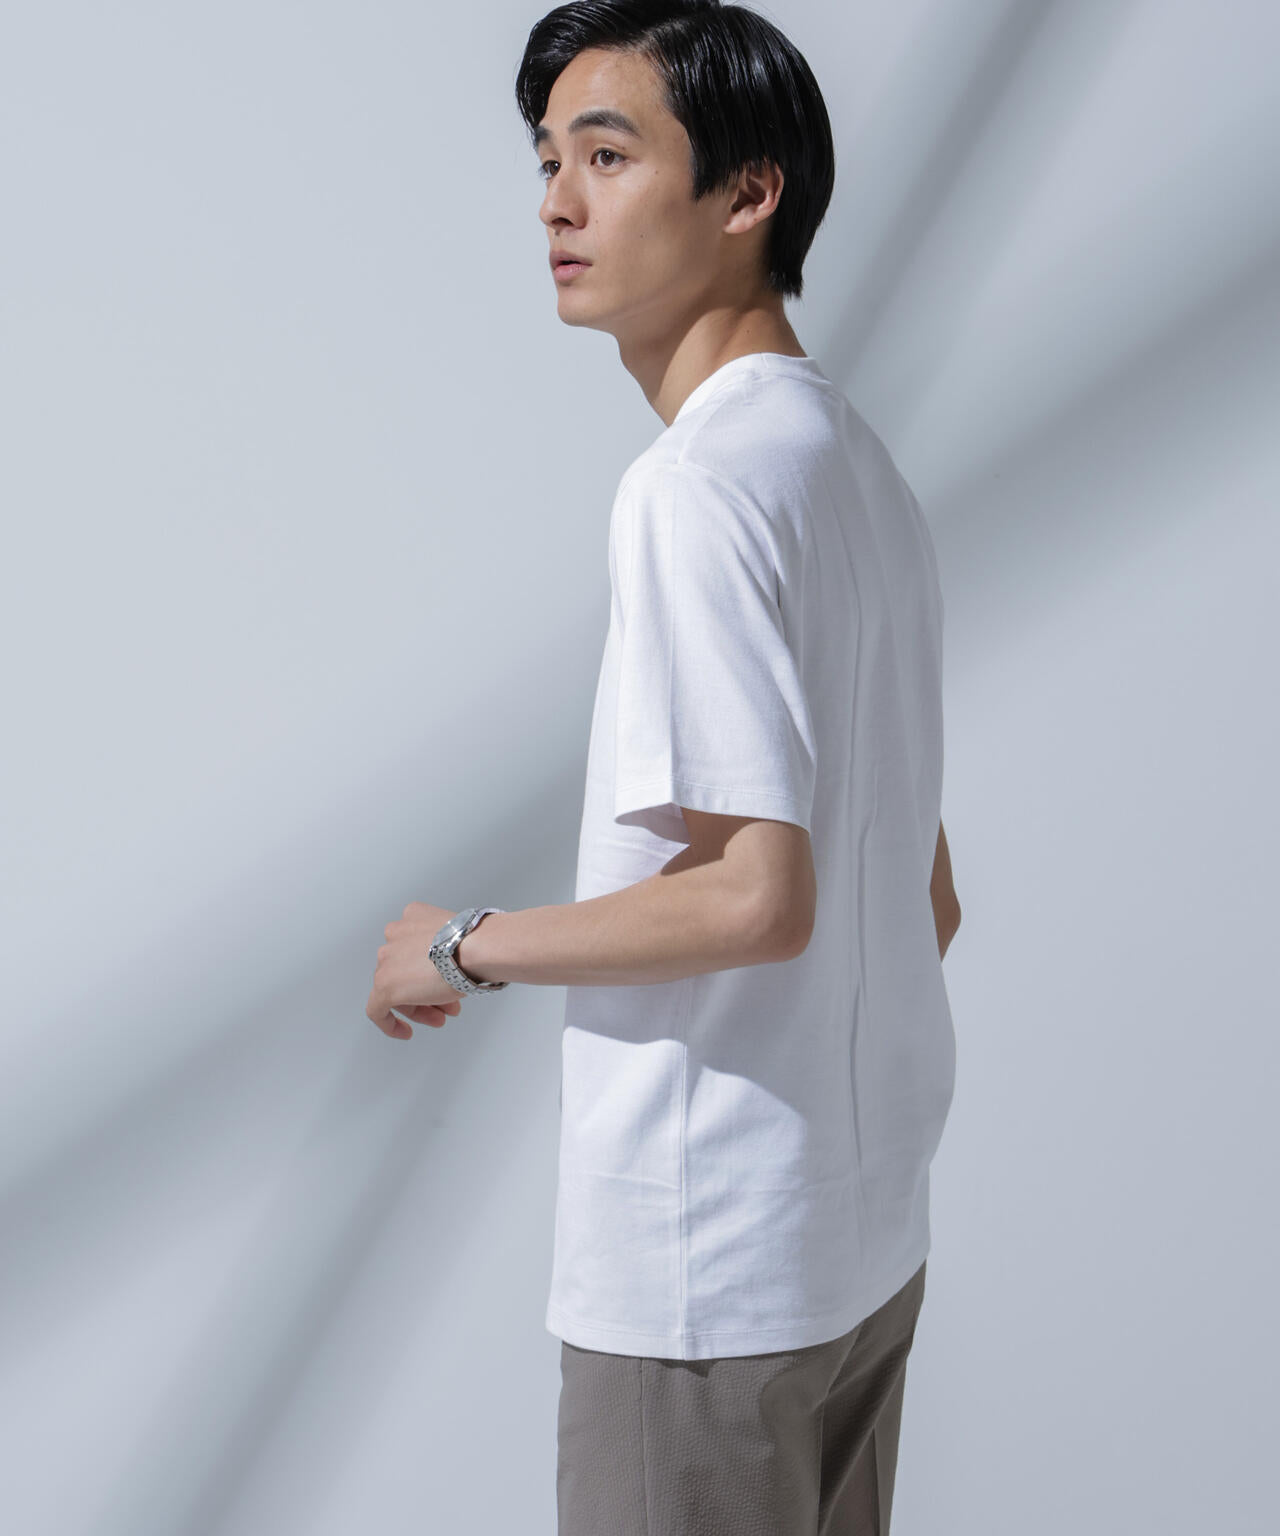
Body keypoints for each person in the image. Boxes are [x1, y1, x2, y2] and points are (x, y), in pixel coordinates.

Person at [366, 2, 962, 1530]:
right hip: (856, 1254)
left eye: (609, 156)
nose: (557, 204)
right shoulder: (859, 472)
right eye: (547, 161)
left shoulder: (694, 490)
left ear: (749, 193)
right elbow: (926, 897)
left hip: (704, 1293)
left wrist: (461, 945)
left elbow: (760, 896)